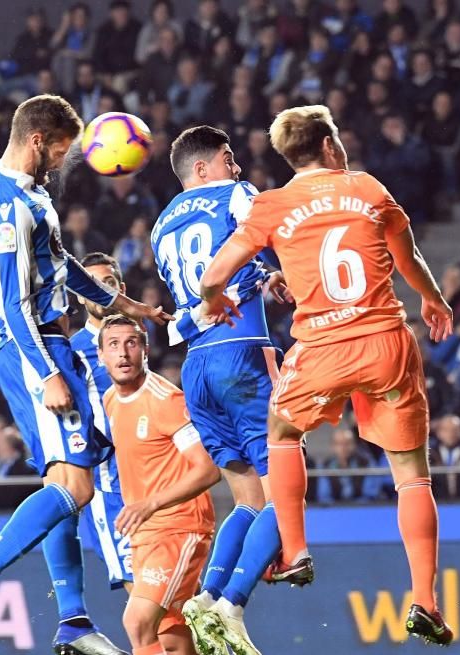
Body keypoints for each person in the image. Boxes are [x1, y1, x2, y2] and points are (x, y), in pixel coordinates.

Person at [199, 104, 455, 645]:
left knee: (282, 433)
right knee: (412, 475)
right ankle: (426, 602)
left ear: (290, 156)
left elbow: (214, 274)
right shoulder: (368, 188)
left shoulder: (271, 205)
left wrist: (215, 297)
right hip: (385, 340)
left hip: (319, 347)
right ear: (331, 146)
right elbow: (406, 259)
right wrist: (433, 300)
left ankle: (294, 552)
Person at [0, 95, 170, 655]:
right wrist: (46, 373)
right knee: (76, 486)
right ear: (38, 140)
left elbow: (61, 265)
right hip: (33, 349)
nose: (64, 164)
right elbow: (13, 303)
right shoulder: (4, 205)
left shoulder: (33, 193)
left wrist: (125, 304)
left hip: (53, 344)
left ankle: (72, 620)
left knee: (65, 481)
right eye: (62, 152)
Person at [147, 125, 284, 655]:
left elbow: (207, 282)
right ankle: (232, 606)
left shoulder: (160, 226)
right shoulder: (234, 195)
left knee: (247, 498)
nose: (239, 167)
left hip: (195, 367)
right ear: (202, 168)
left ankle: (206, 598)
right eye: (229, 158)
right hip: (242, 350)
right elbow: (270, 235)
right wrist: (277, 273)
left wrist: (260, 276)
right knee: (287, 490)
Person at [99, 314, 217, 655]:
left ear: (146, 351)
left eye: (132, 343)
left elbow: (207, 469)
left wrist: (150, 504)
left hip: (180, 527)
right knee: (172, 636)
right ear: (102, 356)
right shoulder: (110, 400)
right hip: (145, 532)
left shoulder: (165, 400)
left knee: (137, 622)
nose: (123, 353)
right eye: (114, 345)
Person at [70, 253, 134, 596]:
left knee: (175, 591)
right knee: (142, 596)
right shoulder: (73, 351)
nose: (98, 291)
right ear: (79, 294)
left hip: (154, 480)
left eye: (106, 284)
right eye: (89, 284)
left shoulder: (135, 343)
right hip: (111, 487)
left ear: (120, 289)